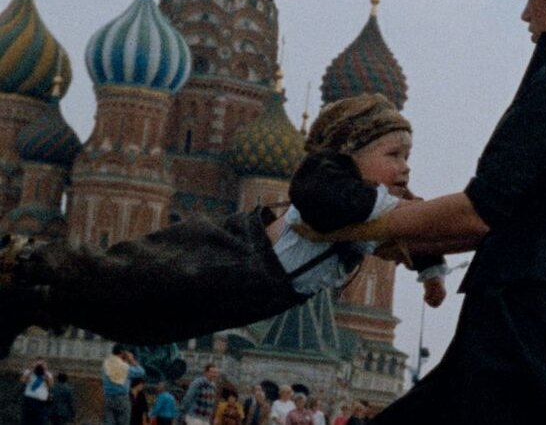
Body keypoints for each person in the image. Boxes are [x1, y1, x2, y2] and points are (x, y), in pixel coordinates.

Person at [293, 0, 546, 424]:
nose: (525, 12)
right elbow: (508, 221)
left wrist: (355, 226)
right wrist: (406, 241)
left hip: (529, 315)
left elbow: (479, 213)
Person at [0, 93, 448, 357]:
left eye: (408, 156)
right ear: (349, 152)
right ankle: (29, 259)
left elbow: (417, 232)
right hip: (235, 256)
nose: (405, 167)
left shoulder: (389, 205)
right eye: (394, 155)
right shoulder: (329, 176)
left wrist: (430, 274)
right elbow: (320, 202)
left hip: (259, 294)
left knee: (145, 327)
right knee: (130, 277)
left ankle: (36, 303)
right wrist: (381, 206)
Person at [102, 344, 146, 425]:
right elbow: (141, 372)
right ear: (122, 352)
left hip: (108, 398)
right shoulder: (124, 367)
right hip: (121, 398)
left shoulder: (105, 364)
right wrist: (132, 360)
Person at [20, 358, 54, 425]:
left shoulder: (48, 374)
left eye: (42, 364)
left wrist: (45, 372)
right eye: (38, 364)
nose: (40, 366)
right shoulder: (29, 372)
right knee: (27, 420)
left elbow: (51, 385)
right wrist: (32, 370)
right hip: (29, 399)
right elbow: (22, 380)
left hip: (41, 402)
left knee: (39, 421)